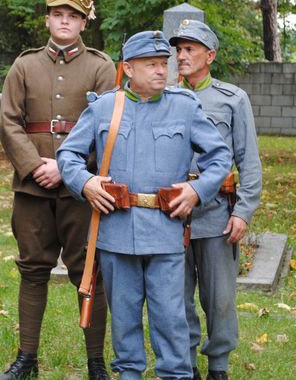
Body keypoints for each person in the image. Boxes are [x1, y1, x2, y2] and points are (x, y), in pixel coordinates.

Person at [57, 30, 232, 380]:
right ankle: (129, 374)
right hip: (117, 232)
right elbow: (68, 154)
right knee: (123, 319)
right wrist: (86, 182)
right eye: (151, 64)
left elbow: (220, 156)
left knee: (170, 318)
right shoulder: (105, 107)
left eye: (163, 64)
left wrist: (198, 192)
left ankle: (176, 374)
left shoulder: (184, 106)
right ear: (128, 69)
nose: (161, 71)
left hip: (166, 233)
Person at [0, 0, 116, 380]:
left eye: (73, 16)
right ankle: (26, 359)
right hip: (32, 188)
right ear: (48, 19)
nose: (65, 22)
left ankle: (95, 362)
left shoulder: (101, 67)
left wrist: (68, 169)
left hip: (81, 189)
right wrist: (33, 165)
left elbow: (109, 128)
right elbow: (9, 122)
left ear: (84, 23)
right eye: (58, 15)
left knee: (88, 272)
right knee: (33, 268)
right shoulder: (24, 66)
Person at [169, 20, 262, 380]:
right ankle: (186, 364)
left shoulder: (232, 99)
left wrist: (243, 212)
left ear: (211, 55)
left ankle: (218, 367)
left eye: (190, 49)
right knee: (177, 296)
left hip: (215, 215)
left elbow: (248, 160)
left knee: (219, 298)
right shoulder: (167, 97)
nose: (182, 56)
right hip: (172, 214)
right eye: (178, 49)